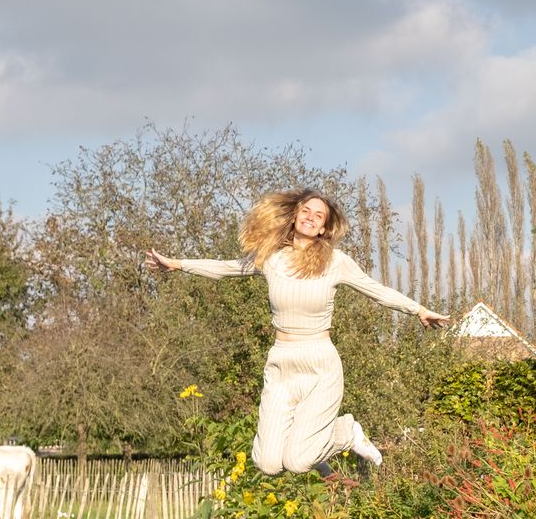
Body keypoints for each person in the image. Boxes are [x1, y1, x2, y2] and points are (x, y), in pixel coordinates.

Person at [146, 188, 449, 475]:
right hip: (281, 364)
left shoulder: (335, 262)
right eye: (306, 210)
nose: (311, 216)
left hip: (319, 364)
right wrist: (177, 264)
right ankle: (315, 452)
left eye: (319, 216)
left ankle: (346, 433)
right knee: (267, 463)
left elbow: (375, 290)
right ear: (294, 216)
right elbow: (226, 268)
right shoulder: (271, 258)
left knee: (298, 461)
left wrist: (418, 310)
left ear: (323, 229)